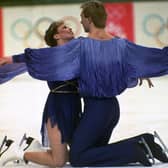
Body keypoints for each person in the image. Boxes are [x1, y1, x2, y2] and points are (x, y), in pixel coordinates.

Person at [0, 0, 168, 166]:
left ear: (88, 19)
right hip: (110, 109)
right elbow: (149, 57)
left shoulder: (81, 47)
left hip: (94, 109)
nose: (79, 22)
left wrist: (12, 58)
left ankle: (134, 150)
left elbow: (43, 58)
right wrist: (139, 71)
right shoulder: (120, 45)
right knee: (93, 151)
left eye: (82, 18)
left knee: (78, 158)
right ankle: (145, 141)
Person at [0, 20, 82, 167]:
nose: (69, 27)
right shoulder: (48, 55)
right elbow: (31, 55)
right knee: (59, 162)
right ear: (56, 36)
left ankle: (33, 148)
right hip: (57, 108)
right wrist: (9, 59)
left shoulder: (77, 51)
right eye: (64, 27)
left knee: (81, 156)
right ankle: (15, 152)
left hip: (75, 106)